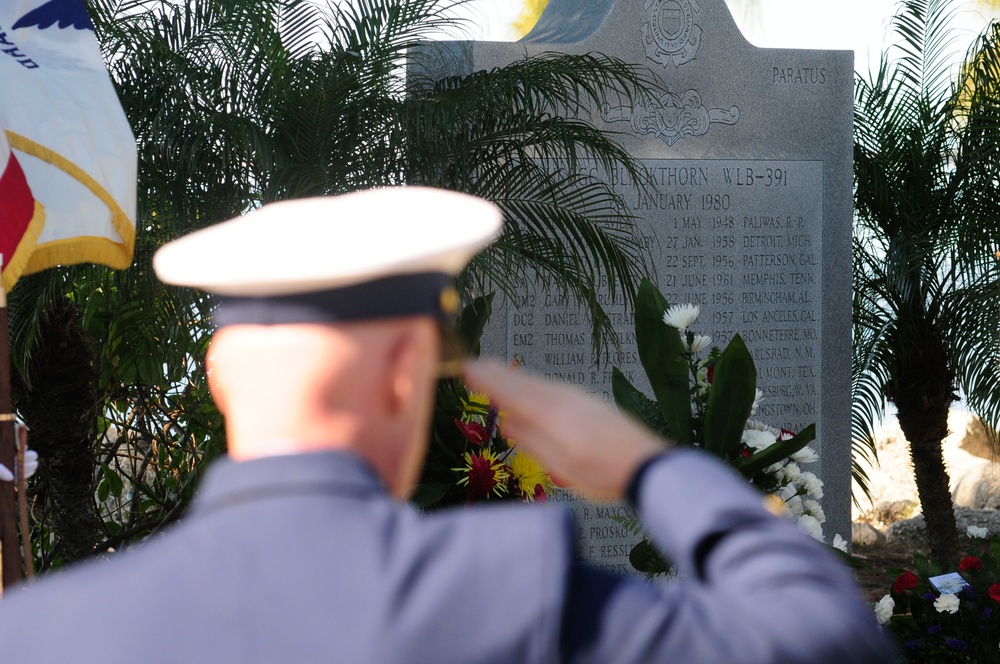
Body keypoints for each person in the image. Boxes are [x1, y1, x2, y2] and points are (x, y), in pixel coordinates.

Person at [0, 187, 895, 662]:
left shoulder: (36, 637)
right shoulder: (510, 598)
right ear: (406, 377)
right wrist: (652, 471)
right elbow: (826, 643)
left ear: (219, 375)